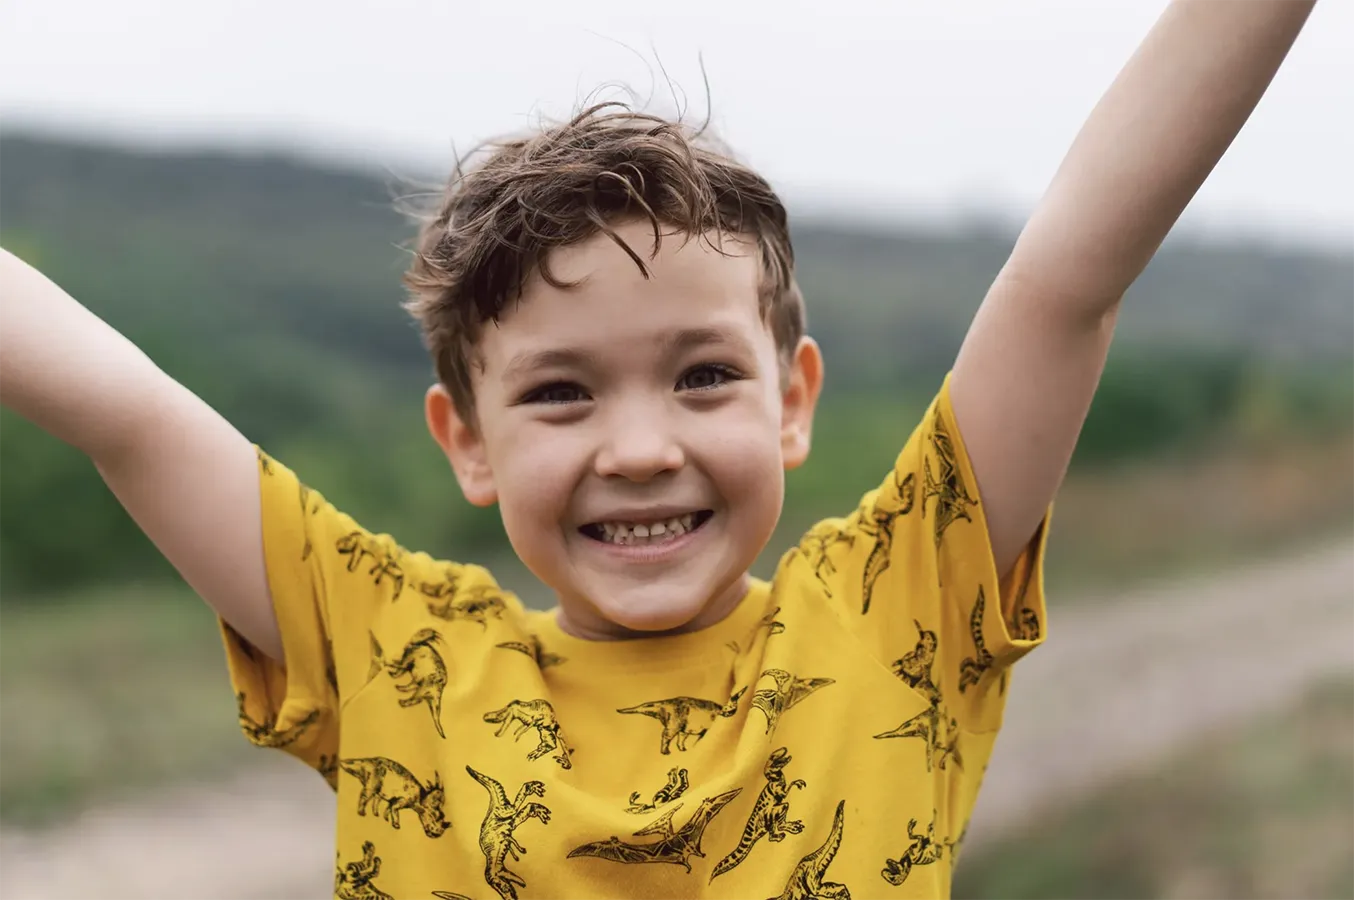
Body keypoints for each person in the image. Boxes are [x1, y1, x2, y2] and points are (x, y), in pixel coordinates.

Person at [0, 0, 1318, 896]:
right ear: (465, 442)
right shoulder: (391, 653)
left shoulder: (892, 607)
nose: (639, 449)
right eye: (561, 396)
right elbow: (127, 409)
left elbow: (1062, 281)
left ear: (791, 400)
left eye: (700, 377)